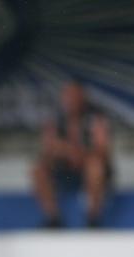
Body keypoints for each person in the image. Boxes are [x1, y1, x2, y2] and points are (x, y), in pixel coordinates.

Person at [32, 81, 111, 228]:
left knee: (95, 165)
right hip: (65, 170)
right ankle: (53, 218)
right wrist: (64, 152)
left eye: (74, 96)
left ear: (83, 98)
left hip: (89, 168)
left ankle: (93, 219)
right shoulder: (55, 117)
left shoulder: (96, 116)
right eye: (67, 96)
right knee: (38, 169)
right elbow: (47, 149)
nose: (70, 100)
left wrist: (69, 150)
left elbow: (102, 151)